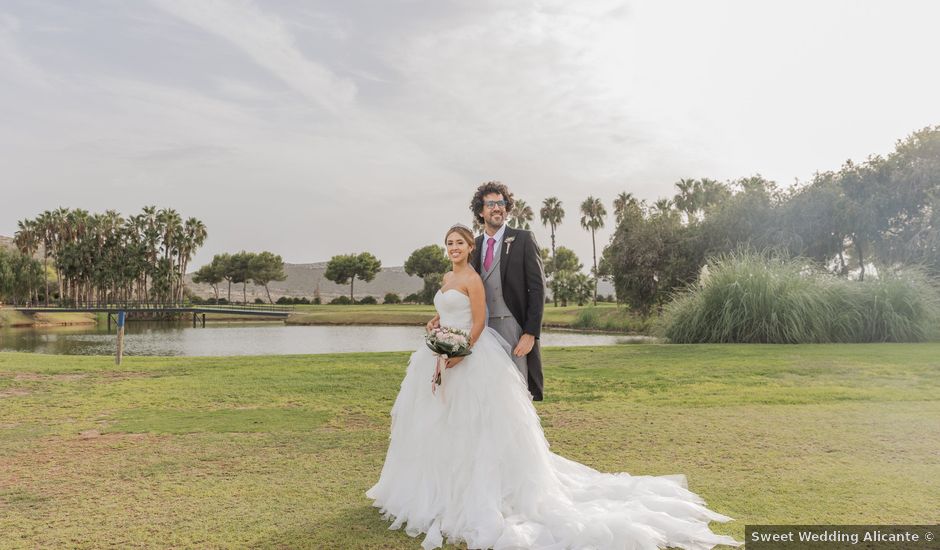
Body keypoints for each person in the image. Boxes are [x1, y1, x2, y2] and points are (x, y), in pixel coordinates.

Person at [366, 223, 741, 550]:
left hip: (469, 358)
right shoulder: (446, 279)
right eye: (449, 243)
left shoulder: (473, 279)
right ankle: (435, 490)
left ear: (470, 248)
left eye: (460, 243)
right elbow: (447, 310)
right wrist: (435, 326)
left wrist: (461, 352)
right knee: (436, 424)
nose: (454, 249)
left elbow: (478, 322)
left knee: (474, 429)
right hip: (437, 358)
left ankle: (478, 495)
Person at [427, 181, 546, 401]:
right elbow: (461, 288)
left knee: (515, 394)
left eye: (501, 203)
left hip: (512, 328)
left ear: (507, 207)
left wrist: (530, 333)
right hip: (479, 331)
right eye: (490, 204)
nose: (496, 208)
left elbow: (538, 290)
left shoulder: (523, 239)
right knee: (482, 396)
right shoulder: (474, 244)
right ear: (480, 211)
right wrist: (439, 317)